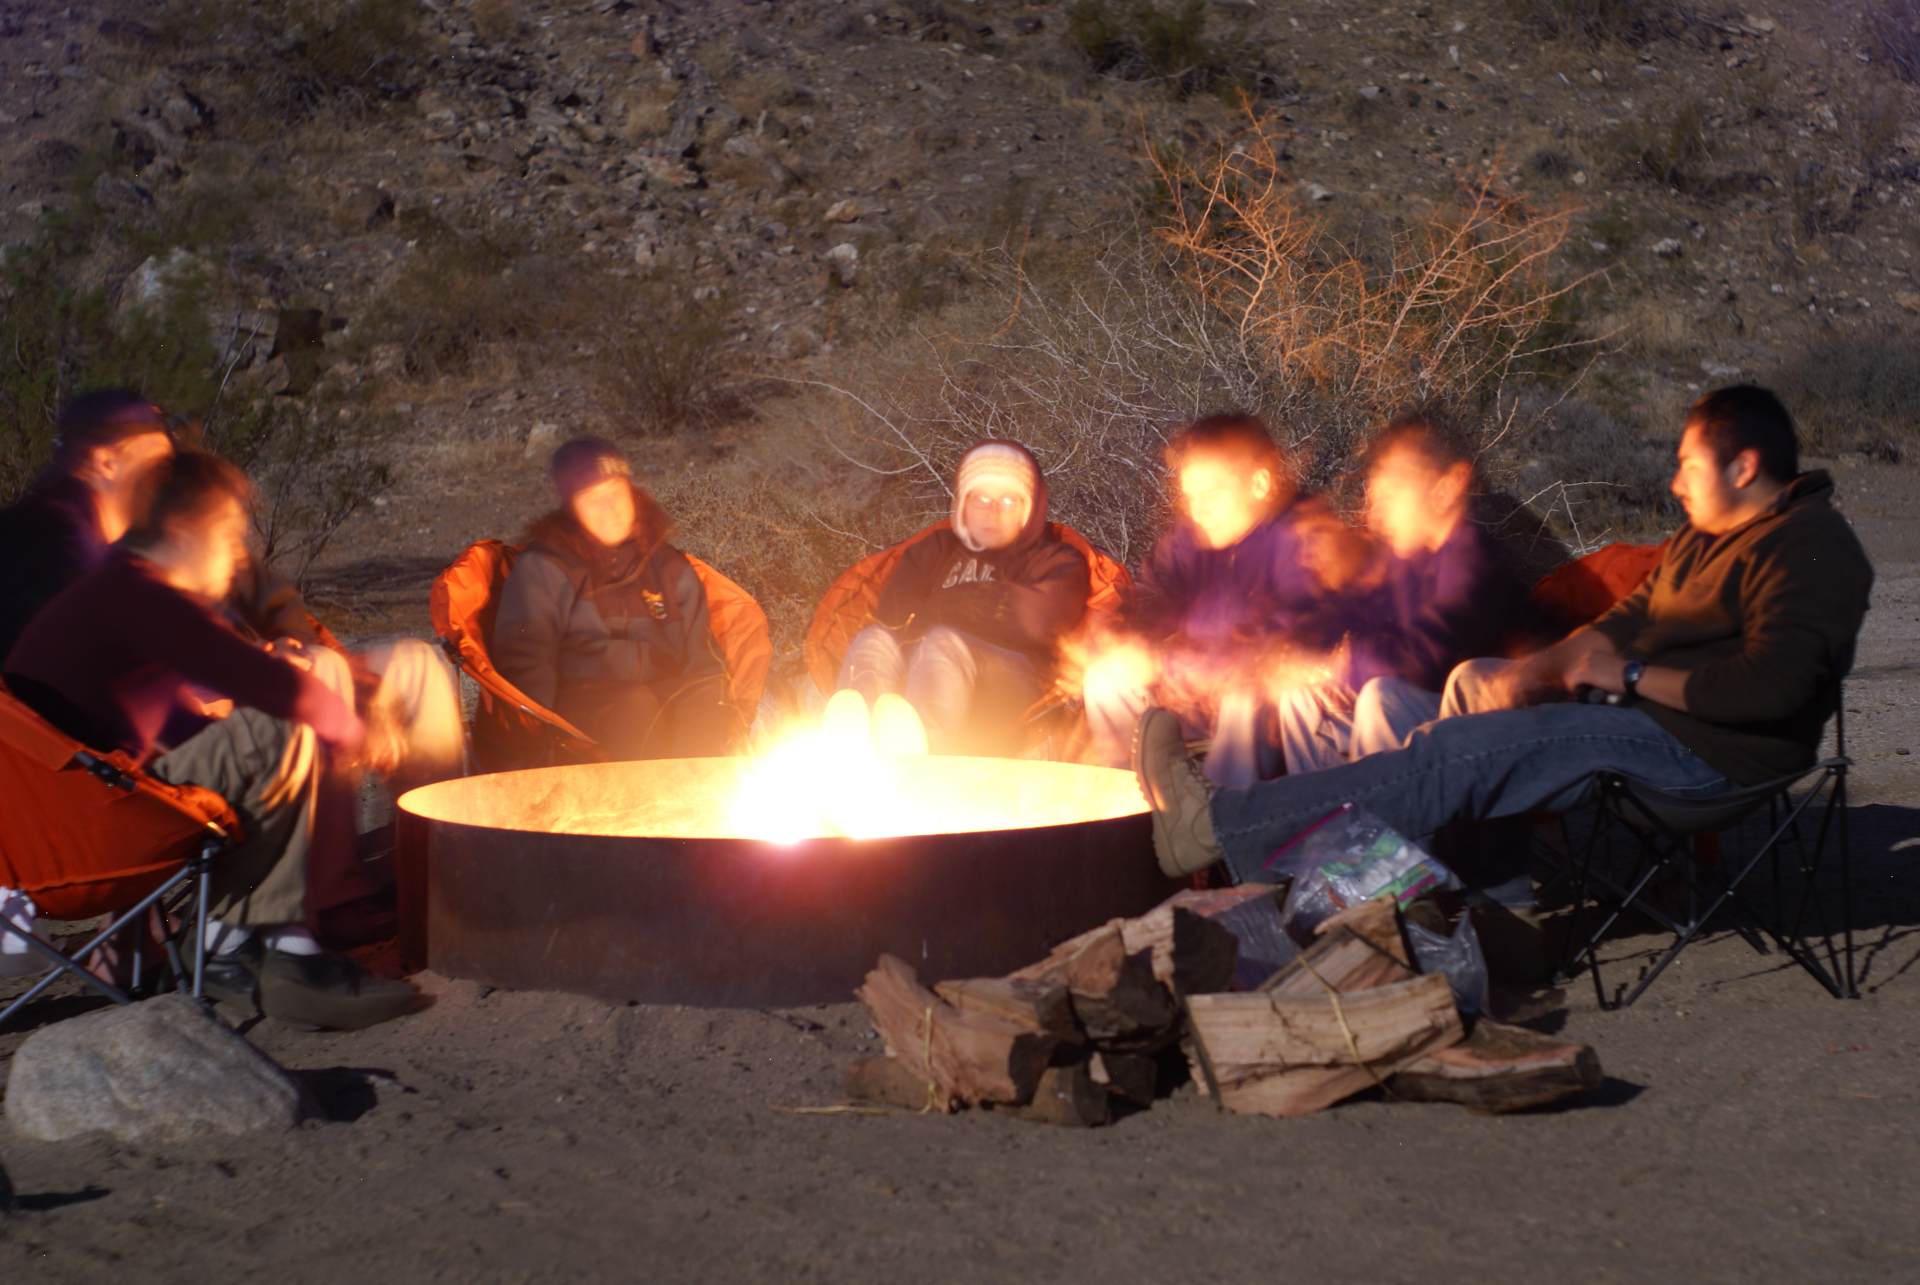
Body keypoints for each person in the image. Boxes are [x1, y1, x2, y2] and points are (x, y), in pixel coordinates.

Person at [1132, 385, 1874, 894]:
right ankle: (1481, 892)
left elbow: (1773, 690)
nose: (1675, 482)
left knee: (1459, 749)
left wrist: (1630, 676)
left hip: (1711, 755)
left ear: (1743, 466)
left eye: (1686, 463)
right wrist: (1529, 673)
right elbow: (1616, 626)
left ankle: (1227, 825)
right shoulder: (1701, 542)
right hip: (1650, 722)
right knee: (1473, 692)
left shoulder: (1811, 547)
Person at [3, 449, 421, 1029]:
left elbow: (192, 716)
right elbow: (275, 690)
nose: (234, 558)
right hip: (95, 833)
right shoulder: (135, 592)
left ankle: (247, 934)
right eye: (228, 536)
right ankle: (252, 944)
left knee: (258, 739)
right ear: (182, 530)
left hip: (66, 826)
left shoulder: (111, 596)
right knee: (284, 724)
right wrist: (357, 732)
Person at [1272, 411, 1541, 775]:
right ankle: (1323, 821)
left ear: (1447, 487)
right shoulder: (1402, 562)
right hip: (1418, 719)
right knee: (1299, 696)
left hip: (1483, 727)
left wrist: (1340, 666)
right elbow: (1344, 610)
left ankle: (1390, 827)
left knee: (1382, 698)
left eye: (1391, 494)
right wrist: (1291, 653)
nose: (1379, 514)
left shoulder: (1475, 565)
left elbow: (1424, 662)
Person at [1082, 413, 1344, 786]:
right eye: (1190, 497)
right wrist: (1115, 642)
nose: (1197, 510)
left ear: (1259, 483)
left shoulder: (1305, 538)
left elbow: (1287, 637)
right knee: (1106, 677)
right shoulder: (1193, 539)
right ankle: (1134, 805)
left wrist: (1180, 666)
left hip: (1273, 706)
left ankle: (1218, 826)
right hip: (1197, 690)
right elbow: (1151, 597)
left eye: (1212, 495)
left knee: (1247, 688)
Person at [836, 440, 1091, 754]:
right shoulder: (934, 550)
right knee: (874, 640)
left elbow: (1036, 622)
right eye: (980, 498)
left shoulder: (1054, 558)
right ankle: (854, 752)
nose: (992, 512)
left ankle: (929, 756)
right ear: (963, 504)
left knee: (942, 642)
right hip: (923, 668)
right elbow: (894, 614)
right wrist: (990, 605)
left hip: (1016, 684)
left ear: (1027, 508)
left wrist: (941, 609)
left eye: (1009, 500)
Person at [494, 438, 736, 760]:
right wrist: (535, 742)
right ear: (570, 507)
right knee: (633, 704)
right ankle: (642, 803)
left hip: (660, 692)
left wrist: (717, 704)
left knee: (705, 697)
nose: (610, 508)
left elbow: (705, 663)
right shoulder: (547, 567)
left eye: (616, 492)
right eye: (593, 499)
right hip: (578, 705)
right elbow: (524, 665)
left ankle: (698, 796)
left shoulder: (668, 567)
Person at [0, 390, 176, 660]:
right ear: (106, 463)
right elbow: (97, 663)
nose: (167, 478)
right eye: (158, 464)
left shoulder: (79, 533)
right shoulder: (61, 542)